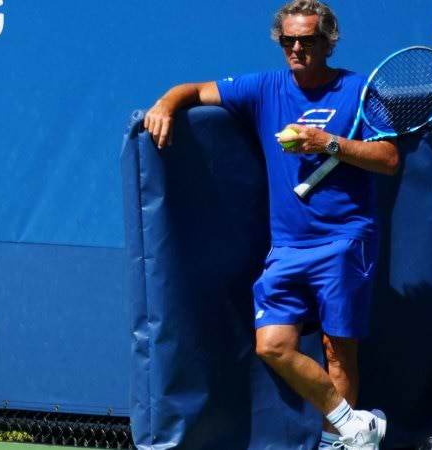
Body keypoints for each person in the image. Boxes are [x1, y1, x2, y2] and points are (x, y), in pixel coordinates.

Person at [142, 1, 397, 449]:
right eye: (289, 40)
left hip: (344, 240)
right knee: (273, 345)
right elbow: (195, 91)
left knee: (339, 351)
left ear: (328, 42)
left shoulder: (359, 90)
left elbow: (390, 159)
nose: (297, 48)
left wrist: (328, 143)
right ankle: (357, 426)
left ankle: (338, 443)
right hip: (288, 246)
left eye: (308, 40)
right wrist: (165, 103)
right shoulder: (263, 88)